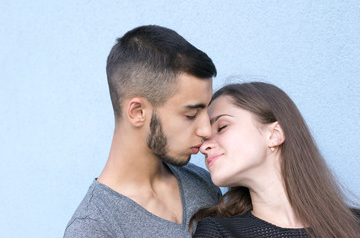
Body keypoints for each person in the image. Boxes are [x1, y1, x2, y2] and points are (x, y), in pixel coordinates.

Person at [64, 25, 221, 238]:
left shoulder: (203, 182)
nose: (206, 130)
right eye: (191, 115)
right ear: (137, 112)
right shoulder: (94, 229)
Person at [191, 82, 360, 238]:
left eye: (222, 127)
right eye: (205, 139)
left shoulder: (355, 224)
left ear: (275, 134)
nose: (204, 147)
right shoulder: (217, 233)